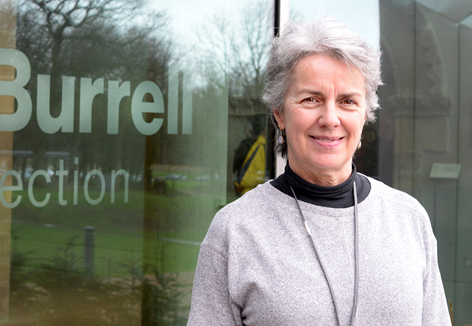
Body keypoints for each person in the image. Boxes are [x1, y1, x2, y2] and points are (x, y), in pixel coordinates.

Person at [187, 18, 451, 325]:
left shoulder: (408, 220)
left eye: (347, 101)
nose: (330, 118)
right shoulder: (236, 230)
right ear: (279, 114)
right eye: (311, 99)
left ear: (365, 115)